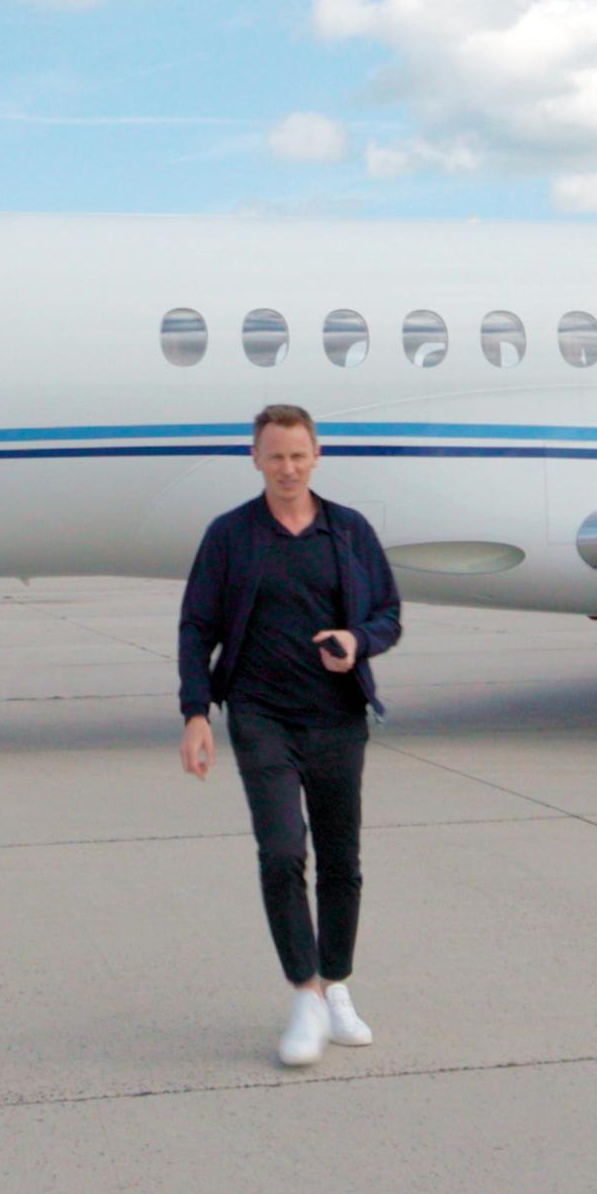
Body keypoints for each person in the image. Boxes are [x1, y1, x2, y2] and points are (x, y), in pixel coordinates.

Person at [176, 404, 402, 1067]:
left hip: (337, 718)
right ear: (255, 458)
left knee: (341, 862)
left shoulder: (348, 532)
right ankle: (304, 992)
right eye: (275, 456)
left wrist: (357, 641)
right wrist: (196, 713)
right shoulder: (231, 536)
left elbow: (389, 613)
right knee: (281, 852)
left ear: (316, 455)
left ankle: (336, 985)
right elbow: (197, 627)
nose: (288, 468)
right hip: (259, 713)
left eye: (298, 455)